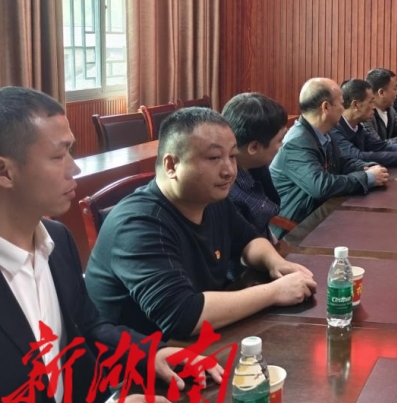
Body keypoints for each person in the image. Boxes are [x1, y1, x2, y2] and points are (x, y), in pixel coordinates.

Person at [0, 87, 223, 403]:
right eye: (59, 156)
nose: (75, 168)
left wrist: (151, 354)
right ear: (5, 172)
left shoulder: (57, 240)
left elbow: (89, 326)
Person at [84, 107, 318, 340]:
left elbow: (249, 240)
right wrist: (275, 292)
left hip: (198, 340)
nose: (229, 171)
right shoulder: (138, 224)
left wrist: (275, 262)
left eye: (232, 156)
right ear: (171, 166)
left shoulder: (210, 199)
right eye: (214, 158)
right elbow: (182, 316)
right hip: (143, 355)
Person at [271, 78, 389, 221]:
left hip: (323, 213)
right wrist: (367, 177)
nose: (343, 109)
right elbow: (321, 187)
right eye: (341, 103)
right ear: (326, 107)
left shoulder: (324, 132)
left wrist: (367, 167)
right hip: (299, 225)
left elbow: (342, 161)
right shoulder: (296, 142)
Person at [221, 92, 287, 242]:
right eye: (279, 140)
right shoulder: (226, 190)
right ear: (254, 147)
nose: (282, 146)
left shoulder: (256, 166)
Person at [332, 79, 397, 168]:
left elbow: (380, 146)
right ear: (355, 105)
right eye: (370, 102)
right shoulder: (334, 128)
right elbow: (356, 156)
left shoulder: (357, 126)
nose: (374, 106)